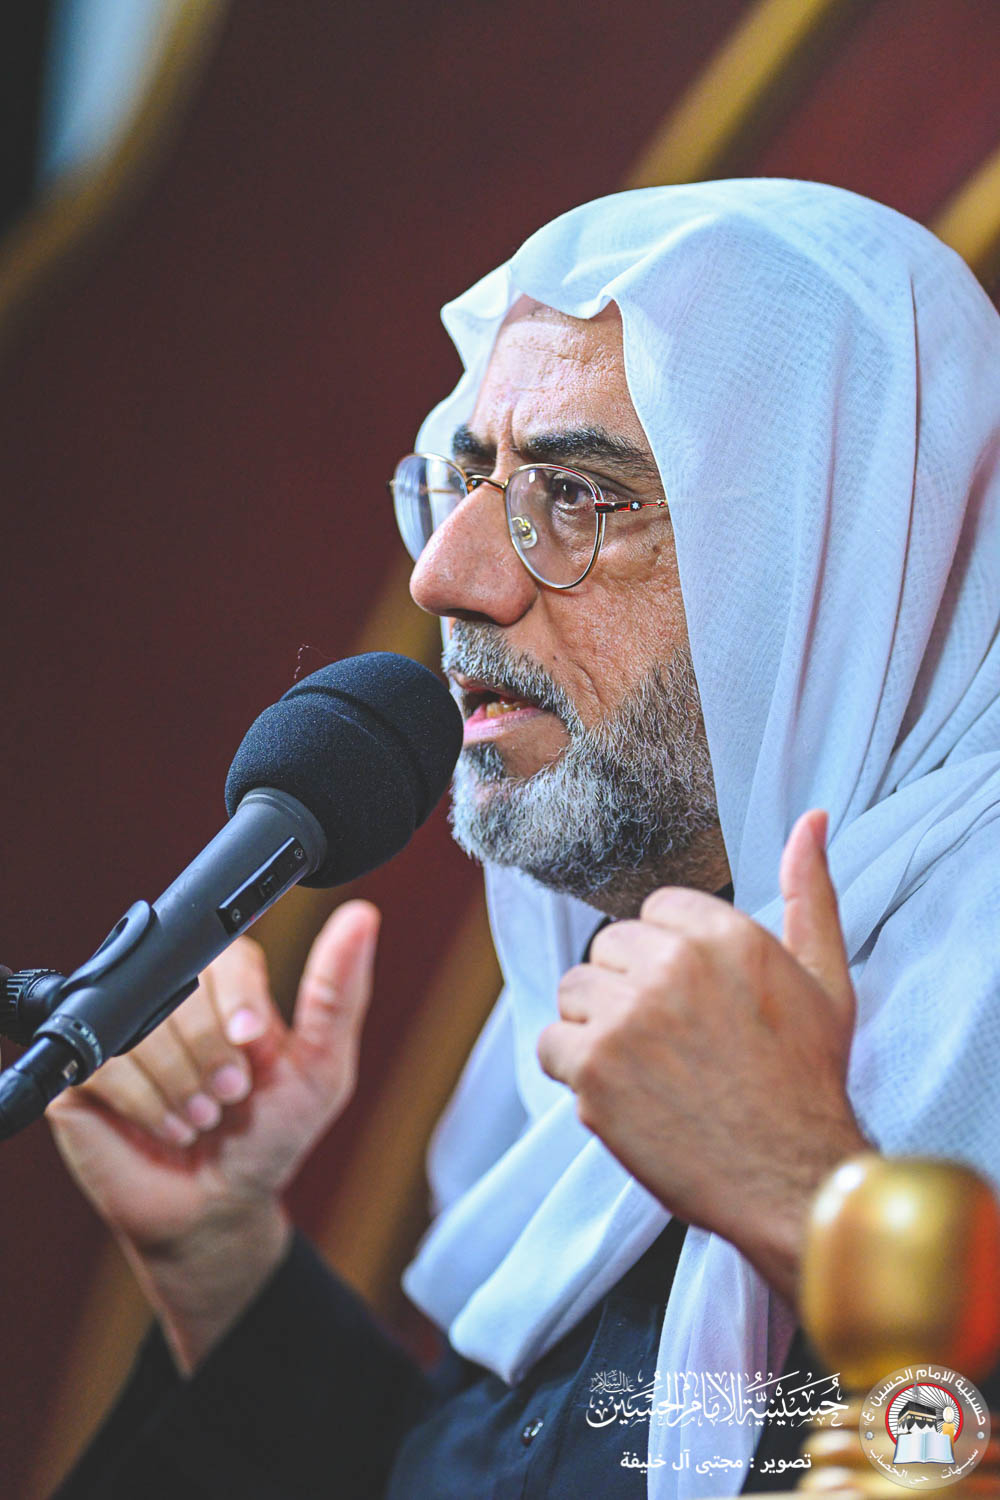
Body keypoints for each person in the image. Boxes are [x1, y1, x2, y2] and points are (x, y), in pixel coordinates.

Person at [48, 179, 1000, 1498]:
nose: (446, 574)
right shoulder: (584, 1022)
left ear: (836, 561)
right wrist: (219, 1255)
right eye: (467, 478)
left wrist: (804, 1200)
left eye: (579, 494)